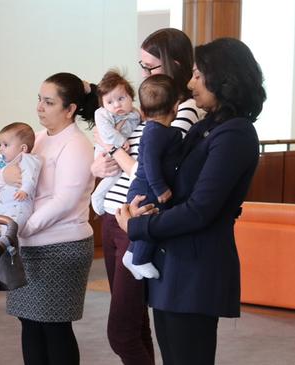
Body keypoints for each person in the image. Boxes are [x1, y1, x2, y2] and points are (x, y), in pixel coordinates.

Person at [116, 37, 266, 365]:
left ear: (224, 79)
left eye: (198, 75)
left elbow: (200, 210)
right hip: (174, 264)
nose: (190, 82)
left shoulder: (236, 133)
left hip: (197, 269)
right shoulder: (209, 125)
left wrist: (139, 225)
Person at [90, 28, 205, 365]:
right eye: (141, 65)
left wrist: (112, 146)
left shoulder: (185, 109)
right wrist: (102, 163)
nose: (143, 75)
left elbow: (152, 169)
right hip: (113, 217)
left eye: (150, 67)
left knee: (121, 331)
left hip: (138, 222)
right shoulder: (145, 110)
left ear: (174, 64)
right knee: (136, 324)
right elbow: (123, 159)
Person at [4, 72, 98, 364]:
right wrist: (3, 175)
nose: (39, 108)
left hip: (62, 247)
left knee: (54, 326)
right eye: (39, 100)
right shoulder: (39, 139)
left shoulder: (77, 145)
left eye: (48, 102)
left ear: (70, 110)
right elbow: (8, 174)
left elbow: (64, 201)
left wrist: (23, 228)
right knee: (29, 322)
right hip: (30, 244)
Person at [122, 75, 182, 280]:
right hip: (147, 187)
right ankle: (140, 259)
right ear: (176, 106)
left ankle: (131, 254)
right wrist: (160, 189)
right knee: (153, 220)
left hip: (146, 187)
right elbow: (150, 164)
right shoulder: (155, 132)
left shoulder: (161, 131)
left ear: (144, 111)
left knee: (149, 219)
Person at [90, 70, 141, 216]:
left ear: (131, 97)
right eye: (110, 102)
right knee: (112, 174)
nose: (117, 105)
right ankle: (97, 197)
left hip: (122, 156)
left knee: (117, 173)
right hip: (105, 153)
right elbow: (106, 133)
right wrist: (121, 141)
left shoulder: (135, 114)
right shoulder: (102, 114)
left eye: (121, 98)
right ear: (103, 104)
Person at [0, 122, 41, 242]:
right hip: (3, 210)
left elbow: (31, 176)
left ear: (23, 148)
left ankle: (11, 254)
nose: (1, 149)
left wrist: (25, 190)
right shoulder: (5, 161)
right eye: (0, 145)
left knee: (9, 232)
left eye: (6, 145)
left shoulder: (27, 159)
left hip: (18, 207)